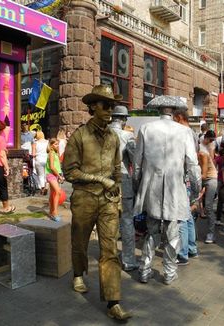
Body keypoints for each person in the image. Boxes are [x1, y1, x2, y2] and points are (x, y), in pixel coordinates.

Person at [63, 85, 131, 321]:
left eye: (112, 105)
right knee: (79, 242)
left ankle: (113, 302)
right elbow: (69, 172)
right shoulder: (79, 135)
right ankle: (78, 273)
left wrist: (118, 194)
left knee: (110, 250)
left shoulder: (113, 136)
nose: (110, 109)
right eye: (105, 104)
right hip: (84, 198)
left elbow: (116, 169)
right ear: (93, 106)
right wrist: (100, 179)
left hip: (108, 201)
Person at [133, 97, 201, 286]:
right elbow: (193, 164)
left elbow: (137, 164)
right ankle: (169, 272)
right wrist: (196, 189)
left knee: (151, 230)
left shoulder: (147, 128)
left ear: (159, 110)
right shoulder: (185, 131)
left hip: (152, 186)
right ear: (174, 112)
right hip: (174, 187)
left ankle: (145, 270)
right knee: (172, 231)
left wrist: (138, 186)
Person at [109, 105, 138, 271]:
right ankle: (128, 260)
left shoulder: (100, 134)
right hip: (124, 180)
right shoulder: (128, 136)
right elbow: (136, 162)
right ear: (124, 119)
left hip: (104, 181)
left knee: (107, 220)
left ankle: (108, 257)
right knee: (127, 220)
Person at [173, 108, 200, 265]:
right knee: (188, 215)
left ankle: (183, 253)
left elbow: (189, 159)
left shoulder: (184, 131)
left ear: (178, 117)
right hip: (189, 176)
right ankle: (191, 248)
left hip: (184, 177)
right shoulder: (192, 132)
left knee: (181, 217)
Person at [199, 130, 218, 244]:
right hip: (201, 177)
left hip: (210, 178)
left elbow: (204, 174)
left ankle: (211, 233)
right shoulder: (198, 149)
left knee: (209, 207)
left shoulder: (203, 153)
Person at [46, 138, 63, 222]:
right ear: (51, 145)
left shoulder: (55, 153)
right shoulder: (51, 153)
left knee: (53, 193)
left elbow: (57, 166)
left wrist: (60, 174)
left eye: (58, 144)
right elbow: (52, 167)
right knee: (57, 192)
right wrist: (59, 176)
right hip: (50, 175)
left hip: (55, 175)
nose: (58, 145)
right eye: (56, 144)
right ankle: (55, 213)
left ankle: (51, 212)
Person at [34, 131, 48, 196]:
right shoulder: (47, 142)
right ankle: (46, 186)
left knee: (40, 175)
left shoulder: (35, 143)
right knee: (46, 174)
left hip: (38, 160)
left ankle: (42, 187)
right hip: (46, 159)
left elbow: (33, 154)